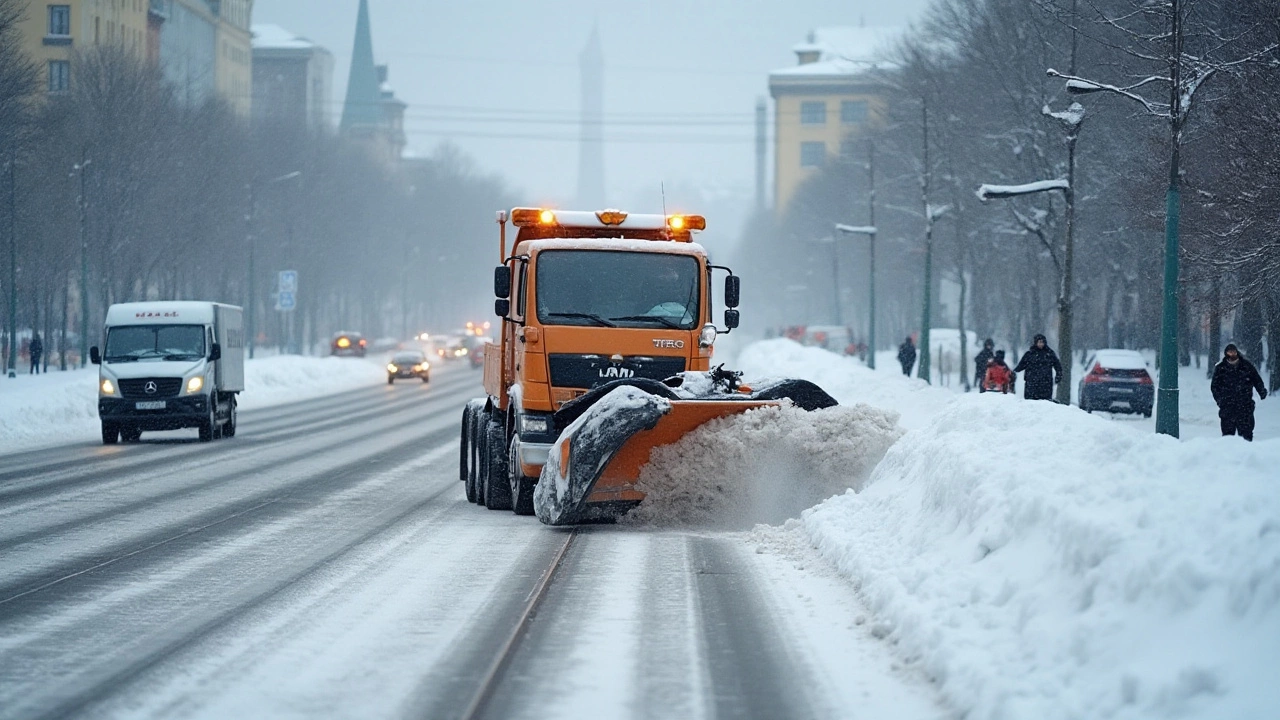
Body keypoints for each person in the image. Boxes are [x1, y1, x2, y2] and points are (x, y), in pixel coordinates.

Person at [1210, 343, 1267, 441]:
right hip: (1227, 407)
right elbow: (1215, 386)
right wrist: (1220, 400)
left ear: (1237, 352)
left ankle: (1247, 454)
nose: (1232, 354)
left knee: (1246, 435)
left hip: (1245, 406)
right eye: (1229, 352)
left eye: (1233, 351)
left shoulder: (1246, 366)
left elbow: (1256, 379)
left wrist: (1262, 391)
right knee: (1227, 437)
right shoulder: (1221, 368)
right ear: (1226, 353)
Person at [1013, 333, 1062, 401]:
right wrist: (1013, 372)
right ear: (1035, 342)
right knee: (1031, 403)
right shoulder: (1029, 354)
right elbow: (1021, 366)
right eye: (1039, 342)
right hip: (1031, 384)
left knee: (1045, 403)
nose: (1041, 344)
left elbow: (1057, 366)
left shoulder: (1049, 354)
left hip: (1045, 384)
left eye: (1042, 342)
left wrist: (1058, 375)